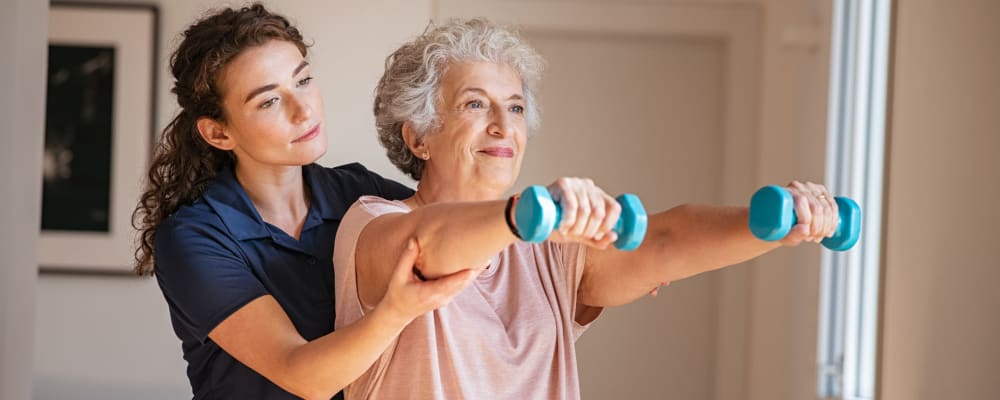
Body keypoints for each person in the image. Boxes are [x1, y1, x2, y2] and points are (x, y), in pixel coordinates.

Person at [333, 18, 842, 399]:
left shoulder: (548, 250)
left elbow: (663, 240)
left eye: (514, 107)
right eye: (474, 104)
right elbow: (428, 247)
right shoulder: (374, 223)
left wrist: (777, 224)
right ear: (418, 136)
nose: (503, 126)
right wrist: (526, 215)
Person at [132, 4, 476, 399]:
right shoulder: (194, 237)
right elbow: (302, 375)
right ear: (218, 133)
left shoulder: (358, 193)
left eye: (303, 80)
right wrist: (396, 311)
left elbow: (444, 227)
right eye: (269, 101)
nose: (304, 109)